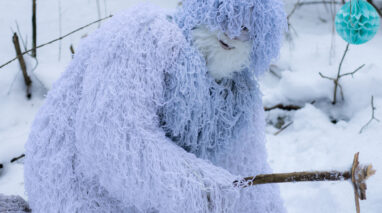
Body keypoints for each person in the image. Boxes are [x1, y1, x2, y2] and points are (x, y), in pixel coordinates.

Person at [22, 0, 287, 212]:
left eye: (247, 28)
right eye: (225, 15)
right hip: (74, 188)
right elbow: (111, 140)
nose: (232, 33)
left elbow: (250, 172)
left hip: (144, 199)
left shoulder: (240, 93)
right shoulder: (146, 33)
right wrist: (200, 187)